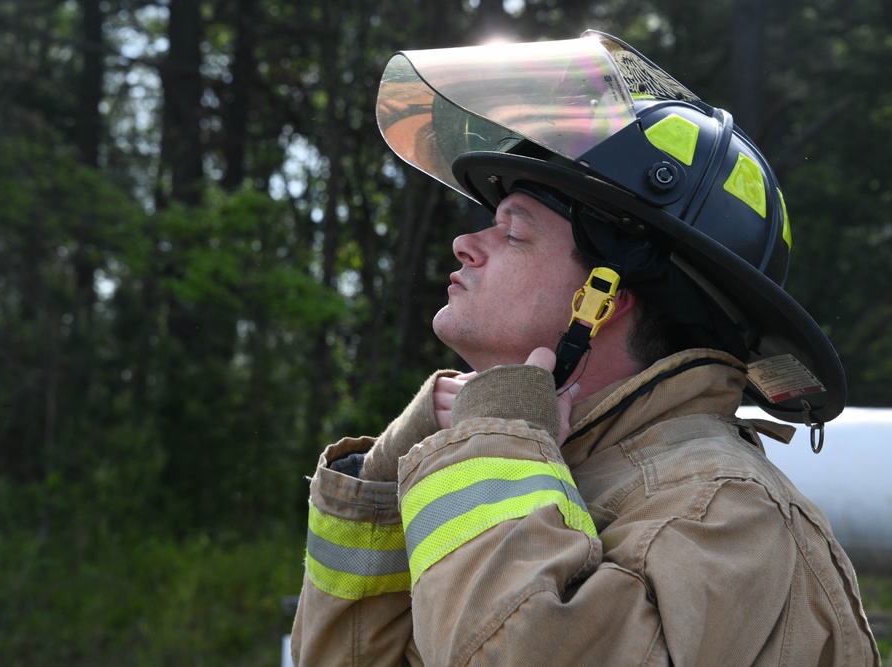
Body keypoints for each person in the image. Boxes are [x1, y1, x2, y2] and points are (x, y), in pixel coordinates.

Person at [290, 31, 880, 665]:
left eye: (514, 231)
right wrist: (385, 480)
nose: (467, 245)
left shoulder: (721, 511)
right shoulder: (554, 468)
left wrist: (494, 442)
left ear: (606, 296)